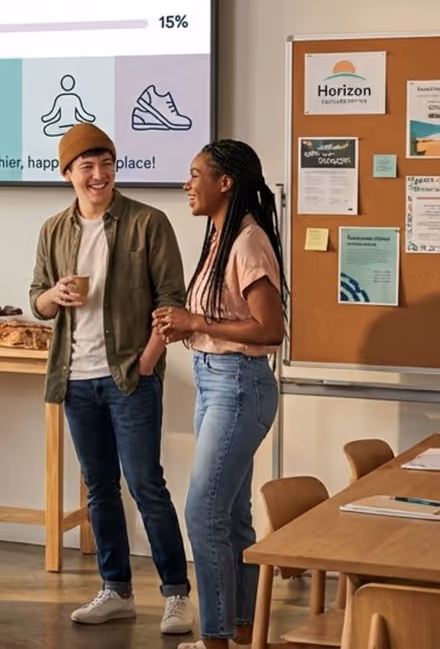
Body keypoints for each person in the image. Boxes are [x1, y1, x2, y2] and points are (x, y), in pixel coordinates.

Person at [28, 122, 194, 635]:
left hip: (129, 377)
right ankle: (116, 590)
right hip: (75, 379)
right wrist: (53, 296)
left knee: (147, 484)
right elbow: (36, 301)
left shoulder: (149, 223)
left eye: (106, 164)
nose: (99, 175)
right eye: (87, 167)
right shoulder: (54, 230)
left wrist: (147, 361)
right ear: (68, 174)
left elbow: (172, 301)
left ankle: (176, 595)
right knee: (100, 488)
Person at [153, 140, 286, 649]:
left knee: (203, 512)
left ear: (224, 182)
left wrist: (197, 322)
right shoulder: (219, 237)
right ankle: (243, 631)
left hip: (238, 386)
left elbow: (271, 329)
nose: (187, 184)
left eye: (195, 174)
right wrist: (185, 328)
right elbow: (227, 321)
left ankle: (214, 640)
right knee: (230, 517)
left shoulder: (247, 241)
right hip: (216, 379)